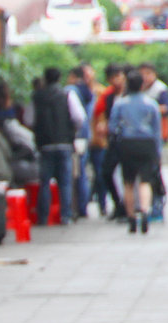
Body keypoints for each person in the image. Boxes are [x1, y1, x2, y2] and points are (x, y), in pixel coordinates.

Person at [108, 70, 162, 234]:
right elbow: (156, 130)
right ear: (142, 84)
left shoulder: (120, 103)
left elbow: (112, 127)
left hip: (127, 143)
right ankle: (145, 212)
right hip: (147, 144)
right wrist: (157, 151)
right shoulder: (151, 103)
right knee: (145, 181)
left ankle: (131, 218)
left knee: (129, 182)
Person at [31, 66, 85, 225]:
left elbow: (29, 119)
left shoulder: (36, 97)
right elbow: (79, 117)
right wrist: (71, 129)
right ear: (59, 78)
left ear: (45, 78)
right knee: (65, 182)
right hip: (65, 143)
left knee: (45, 182)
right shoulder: (68, 95)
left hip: (45, 144)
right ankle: (66, 216)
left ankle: (43, 217)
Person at [91, 64, 127, 220]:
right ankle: (118, 204)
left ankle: (129, 206)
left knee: (128, 175)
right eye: (112, 78)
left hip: (129, 139)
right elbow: (99, 112)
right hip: (113, 139)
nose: (116, 81)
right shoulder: (108, 95)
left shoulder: (130, 93)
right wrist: (102, 124)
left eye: (118, 77)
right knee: (106, 171)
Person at [138, 63, 168, 221]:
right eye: (142, 74)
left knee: (153, 172)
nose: (145, 77)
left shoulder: (160, 89)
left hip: (156, 136)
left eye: (148, 73)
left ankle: (157, 206)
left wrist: (154, 109)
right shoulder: (138, 89)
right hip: (143, 138)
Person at [65, 65, 95, 219]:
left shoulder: (71, 91)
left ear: (72, 76)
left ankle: (76, 208)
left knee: (74, 173)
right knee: (82, 172)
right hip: (86, 136)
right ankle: (83, 207)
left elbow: (78, 117)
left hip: (77, 137)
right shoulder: (89, 91)